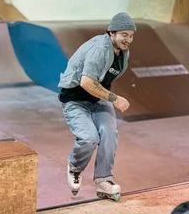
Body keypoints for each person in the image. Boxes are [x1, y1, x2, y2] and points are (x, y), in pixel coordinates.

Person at [58, 12, 136, 200]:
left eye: (131, 35)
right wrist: (114, 98)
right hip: (75, 100)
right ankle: (74, 167)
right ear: (111, 33)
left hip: (97, 100)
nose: (128, 40)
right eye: (124, 35)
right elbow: (86, 82)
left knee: (110, 134)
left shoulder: (123, 53)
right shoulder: (100, 49)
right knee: (89, 137)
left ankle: (103, 180)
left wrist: (106, 97)